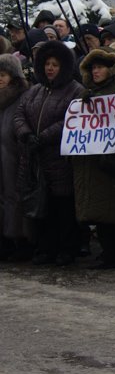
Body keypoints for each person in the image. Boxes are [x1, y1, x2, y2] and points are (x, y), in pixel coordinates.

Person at [14, 41, 82, 265]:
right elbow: (19, 114)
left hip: (61, 160)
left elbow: (72, 121)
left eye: (55, 64)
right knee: (41, 208)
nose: (50, 68)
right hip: (36, 160)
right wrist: (25, 134)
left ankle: (66, 249)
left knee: (63, 208)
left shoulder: (75, 90)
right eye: (47, 64)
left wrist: (44, 136)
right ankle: (45, 248)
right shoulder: (35, 90)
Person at [72, 49, 115, 270]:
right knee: (100, 213)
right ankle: (109, 253)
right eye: (92, 68)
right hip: (95, 164)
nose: (96, 71)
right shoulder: (85, 95)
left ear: (110, 69)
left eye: (100, 67)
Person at [0, 54, 29, 260]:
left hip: (14, 156)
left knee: (15, 198)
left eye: (3, 74)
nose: (0, 79)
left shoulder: (22, 97)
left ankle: (19, 241)